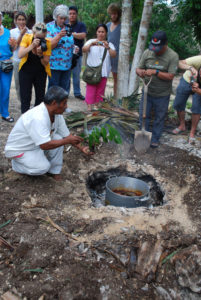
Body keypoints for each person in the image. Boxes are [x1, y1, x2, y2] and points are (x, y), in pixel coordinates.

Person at [5, 86, 92, 181]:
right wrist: (66, 141)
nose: (66, 106)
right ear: (54, 103)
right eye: (64, 103)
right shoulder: (38, 117)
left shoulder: (56, 114)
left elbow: (67, 136)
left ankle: (54, 171)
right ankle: (17, 166)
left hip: (34, 144)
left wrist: (82, 147)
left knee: (59, 138)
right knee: (42, 168)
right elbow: (44, 145)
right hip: (21, 149)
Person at [136, 30, 179, 148]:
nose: (154, 50)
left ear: (165, 44)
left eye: (158, 47)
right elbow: (138, 68)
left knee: (159, 117)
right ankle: (143, 134)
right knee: (143, 115)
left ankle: (154, 138)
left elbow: (170, 76)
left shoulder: (173, 56)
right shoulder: (147, 53)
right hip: (147, 91)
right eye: (153, 46)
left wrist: (156, 72)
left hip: (162, 94)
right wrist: (141, 72)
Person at [18, 22, 51, 113]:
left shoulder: (47, 43)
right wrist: (32, 45)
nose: (40, 40)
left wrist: (40, 55)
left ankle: (37, 119)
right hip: (25, 71)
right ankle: (25, 119)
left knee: (40, 98)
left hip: (40, 72)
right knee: (25, 97)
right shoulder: (27, 38)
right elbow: (20, 55)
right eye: (38, 38)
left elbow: (45, 63)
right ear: (33, 34)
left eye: (42, 38)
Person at [82, 24, 116, 111]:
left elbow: (114, 55)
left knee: (100, 92)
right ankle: (89, 109)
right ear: (96, 32)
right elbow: (84, 49)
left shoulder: (109, 44)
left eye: (103, 32)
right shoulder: (91, 41)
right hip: (92, 72)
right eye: (99, 32)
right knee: (90, 90)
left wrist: (107, 47)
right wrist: (92, 44)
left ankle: (97, 110)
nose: (101, 34)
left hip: (104, 72)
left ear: (106, 33)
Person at [46, 5, 77, 93]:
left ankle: (62, 107)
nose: (63, 20)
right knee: (53, 92)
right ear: (56, 17)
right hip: (54, 66)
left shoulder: (68, 27)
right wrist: (59, 36)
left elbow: (69, 43)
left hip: (67, 65)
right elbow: (49, 46)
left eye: (65, 18)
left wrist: (74, 48)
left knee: (64, 92)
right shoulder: (49, 27)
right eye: (61, 18)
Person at [173, 56, 201, 144]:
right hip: (187, 80)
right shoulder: (199, 59)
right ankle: (182, 125)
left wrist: (198, 90)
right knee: (178, 103)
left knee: (197, 108)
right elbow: (179, 62)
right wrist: (190, 68)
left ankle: (192, 132)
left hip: (199, 87)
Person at [66, 6, 87, 100]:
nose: (72, 15)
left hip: (77, 55)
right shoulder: (65, 25)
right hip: (65, 55)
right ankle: (65, 93)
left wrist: (71, 34)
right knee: (66, 75)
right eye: (70, 14)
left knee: (76, 75)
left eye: (74, 13)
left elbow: (83, 35)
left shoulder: (81, 25)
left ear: (76, 14)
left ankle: (77, 92)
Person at [10, 11, 31, 102]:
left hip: (28, 60)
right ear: (16, 21)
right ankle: (21, 101)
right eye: (19, 19)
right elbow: (14, 48)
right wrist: (21, 34)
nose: (21, 22)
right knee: (18, 83)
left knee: (28, 83)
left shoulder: (30, 32)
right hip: (17, 61)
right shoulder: (12, 32)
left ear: (25, 21)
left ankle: (27, 100)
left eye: (23, 20)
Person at [0, 11, 16, 122]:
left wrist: (12, 45)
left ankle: (4, 113)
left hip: (5, 64)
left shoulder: (7, 32)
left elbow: (12, 50)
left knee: (5, 89)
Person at [106, 3, 121, 98]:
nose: (113, 15)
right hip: (107, 55)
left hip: (118, 56)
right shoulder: (107, 25)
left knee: (117, 79)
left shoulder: (123, 26)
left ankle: (116, 98)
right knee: (103, 77)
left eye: (115, 13)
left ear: (118, 14)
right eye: (111, 13)